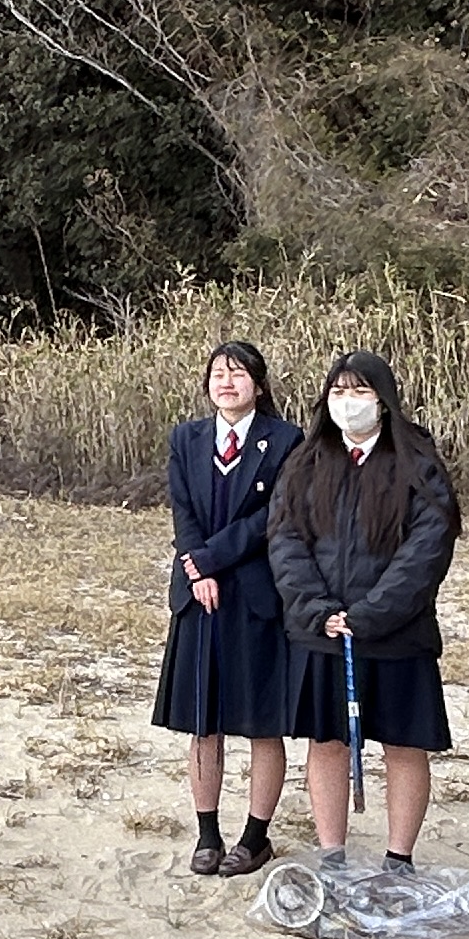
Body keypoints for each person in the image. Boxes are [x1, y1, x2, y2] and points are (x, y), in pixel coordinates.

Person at [267, 350, 459, 869]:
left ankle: (400, 858)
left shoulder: (417, 462)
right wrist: (317, 609)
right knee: (326, 741)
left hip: (397, 632)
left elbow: (428, 547)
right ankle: (333, 853)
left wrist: (372, 613)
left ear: (384, 401)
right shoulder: (305, 462)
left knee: (403, 744)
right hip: (322, 631)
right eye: (338, 393)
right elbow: (284, 540)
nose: (348, 404)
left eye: (360, 393)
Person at [146, 342, 300, 877]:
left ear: (258, 385)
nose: (226, 382)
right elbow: (183, 511)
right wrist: (198, 568)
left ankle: (256, 837)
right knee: (202, 721)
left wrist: (213, 558)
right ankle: (207, 833)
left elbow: (272, 518)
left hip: (256, 596)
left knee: (262, 723)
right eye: (217, 373)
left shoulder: (287, 440)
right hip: (198, 594)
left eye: (237, 374)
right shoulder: (185, 438)